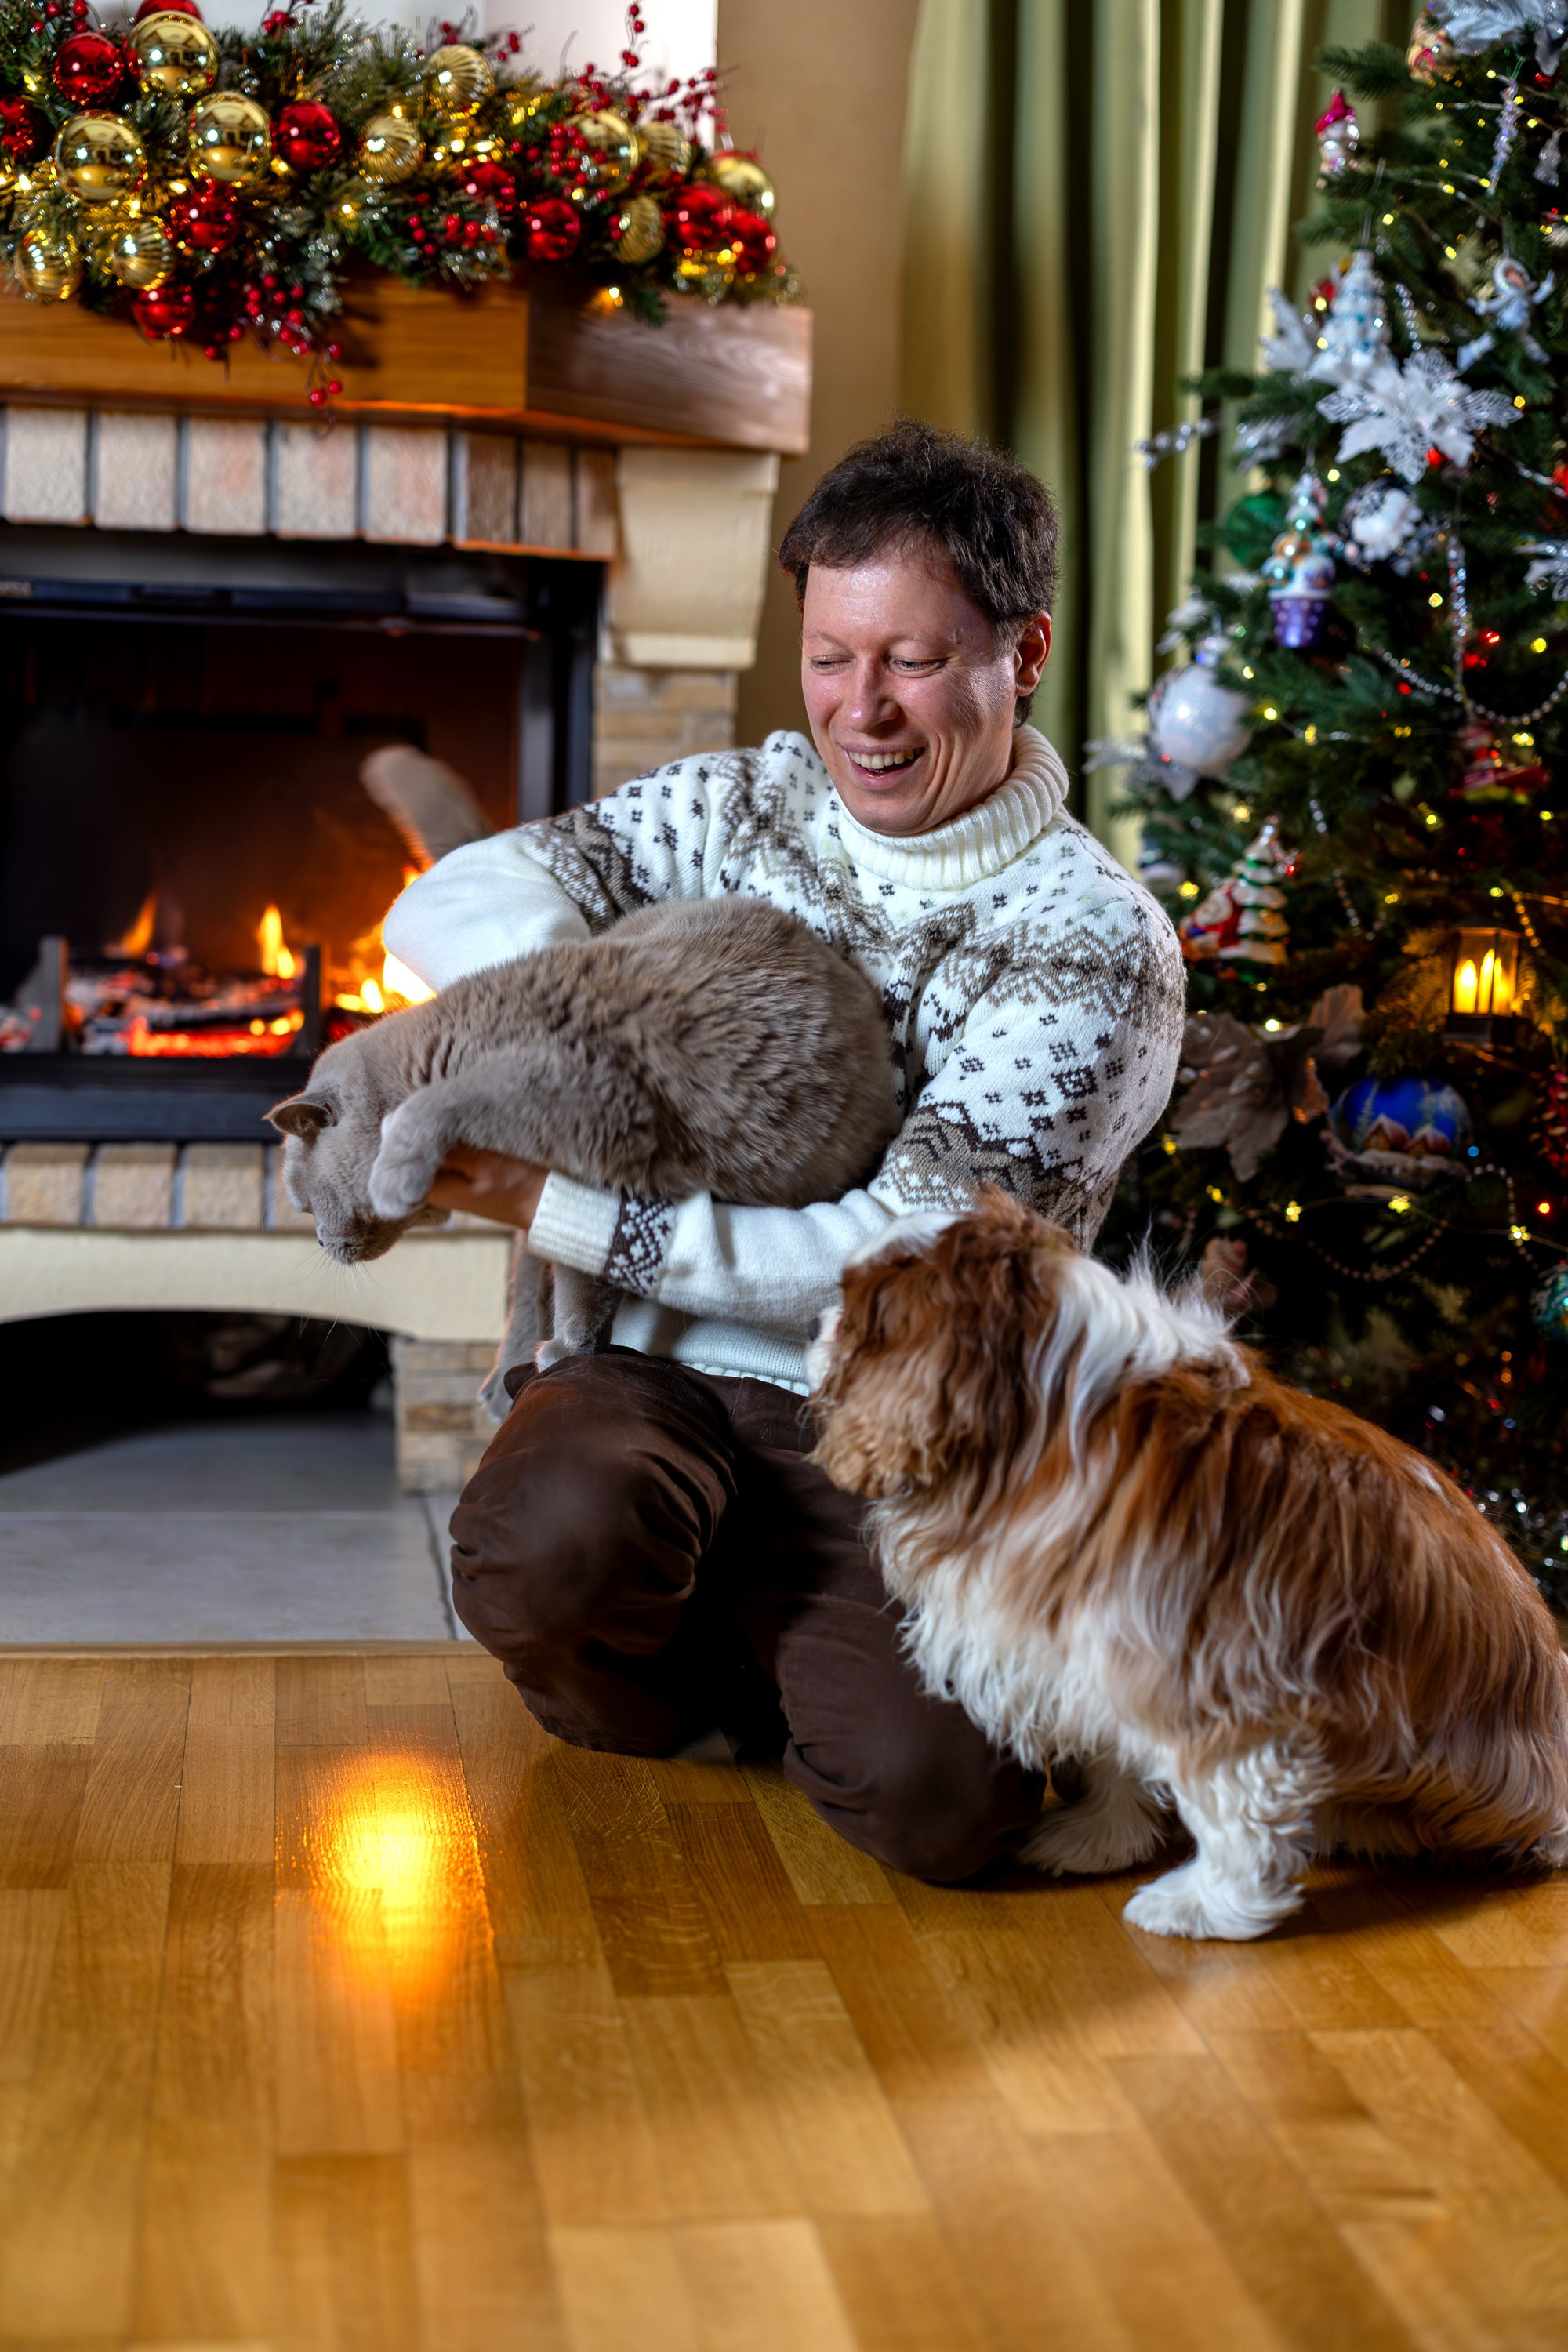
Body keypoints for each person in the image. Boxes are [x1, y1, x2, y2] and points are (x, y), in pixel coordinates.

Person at [382, 421, 1186, 1880]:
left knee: (944, 1810)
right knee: (537, 1553)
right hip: (657, 1373)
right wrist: (583, 1026)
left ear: (1027, 653)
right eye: (831, 654)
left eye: (915, 661)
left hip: (903, 1423)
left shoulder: (1095, 945)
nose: (860, 712)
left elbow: (911, 1258)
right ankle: (694, 1675)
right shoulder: (744, 805)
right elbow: (460, 893)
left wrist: (564, 1203)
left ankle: (788, 1633)